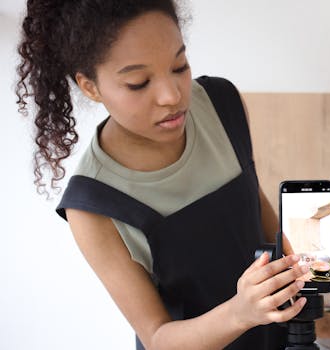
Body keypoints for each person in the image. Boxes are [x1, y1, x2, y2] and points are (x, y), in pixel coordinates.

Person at [15, 1, 310, 349]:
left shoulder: (223, 104)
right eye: (138, 83)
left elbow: (255, 208)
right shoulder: (93, 204)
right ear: (90, 86)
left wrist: (303, 271)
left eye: (179, 66)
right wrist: (240, 312)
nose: (172, 96)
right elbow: (157, 337)